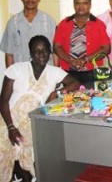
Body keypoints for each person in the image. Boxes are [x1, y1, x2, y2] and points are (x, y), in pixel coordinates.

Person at [0, 35, 80, 182]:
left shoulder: (54, 72)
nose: (41, 55)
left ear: (50, 52)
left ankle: (22, 175)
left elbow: (75, 83)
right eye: (36, 51)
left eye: (44, 51)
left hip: (33, 122)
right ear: (30, 53)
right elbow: (3, 101)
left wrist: (56, 93)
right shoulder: (16, 69)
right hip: (8, 120)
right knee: (3, 152)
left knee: (31, 156)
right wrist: (11, 127)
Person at [53, 0, 111, 89]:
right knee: (67, 101)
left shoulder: (98, 24)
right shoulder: (64, 23)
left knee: (90, 100)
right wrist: (70, 60)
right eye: (77, 3)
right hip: (68, 73)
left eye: (84, 3)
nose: (81, 6)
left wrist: (85, 60)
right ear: (74, 5)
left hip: (91, 73)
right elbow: (56, 46)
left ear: (90, 5)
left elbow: (106, 48)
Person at [0, 0, 57, 67]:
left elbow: (55, 52)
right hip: (21, 73)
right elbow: (9, 54)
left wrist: (55, 75)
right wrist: (11, 75)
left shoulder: (49, 21)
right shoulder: (13, 22)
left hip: (45, 73)